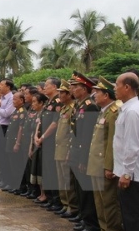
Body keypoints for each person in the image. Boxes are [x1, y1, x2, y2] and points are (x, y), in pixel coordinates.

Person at [113, 72, 139, 231]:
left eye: (117, 85)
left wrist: (127, 173)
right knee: (129, 213)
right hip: (126, 171)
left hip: (131, 174)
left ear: (127, 87)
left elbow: (132, 145)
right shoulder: (127, 108)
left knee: (134, 214)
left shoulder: (133, 111)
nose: (114, 89)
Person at [88, 76, 123, 231]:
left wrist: (109, 166)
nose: (94, 95)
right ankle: (103, 227)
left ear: (106, 95)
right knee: (99, 201)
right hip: (96, 163)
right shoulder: (104, 112)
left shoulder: (113, 112)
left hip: (104, 164)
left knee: (108, 201)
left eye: (97, 92)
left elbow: (112, 143)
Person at [68, 71, 100, 231]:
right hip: (75, 150)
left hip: (83, 153)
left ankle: (91, 222)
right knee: (78, 187)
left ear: (85, 88)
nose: (72, 89)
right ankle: (82, 216)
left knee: (85, 189)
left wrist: (83, 158)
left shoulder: (90, 107)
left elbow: (87, 136)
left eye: (76, 87)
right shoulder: (79, 105)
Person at [36, 77, 63, 212]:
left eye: (47, 85)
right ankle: (50, 198)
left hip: (51, 141)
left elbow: (55, 122)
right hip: (44, 141)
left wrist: (43, 137)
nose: (44, 87)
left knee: (52, 171)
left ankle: (57, 201)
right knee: (47, 170)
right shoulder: (48, 102)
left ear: (54, 87)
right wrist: (37, 136)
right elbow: (41, 121)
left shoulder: (58, 102)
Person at [53, 79, 79, 218]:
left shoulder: (73, 108)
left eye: (62, 93)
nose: (60, 95)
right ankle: (65, 204)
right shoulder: (63, 108)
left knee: (68, 179)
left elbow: (72, 131)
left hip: (66, 148)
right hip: (59, 147)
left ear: (69, 95)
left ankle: (72, 206)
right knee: (61, 178)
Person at [0, 79, 16, 189]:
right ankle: (3, 179)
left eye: (1, 85)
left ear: (8, 87)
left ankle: (9, 181)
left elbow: (6, 114)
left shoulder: (11, 98)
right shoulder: (1, 98)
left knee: (4, 155)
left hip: (5, 128)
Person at [4, 92, 27, 193]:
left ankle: (20, 186)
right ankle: (14, 184)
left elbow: (21, 129)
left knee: (17, 165)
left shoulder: (22, 112)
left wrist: (17, 143)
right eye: (12, 99)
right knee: (12, 165)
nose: (13, 101)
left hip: (15, 142)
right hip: (10, 141)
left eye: (15, 99)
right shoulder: (16, 111)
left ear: (21, 100)